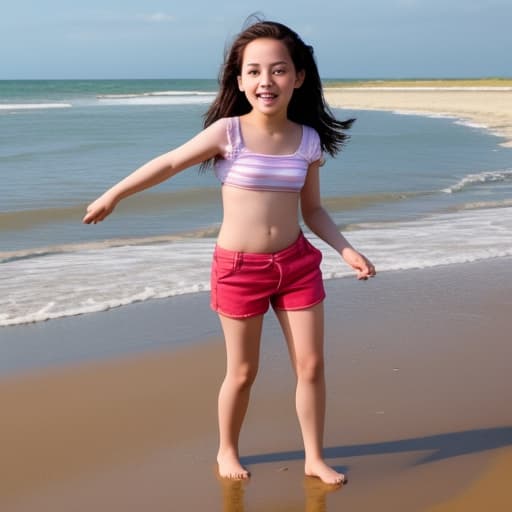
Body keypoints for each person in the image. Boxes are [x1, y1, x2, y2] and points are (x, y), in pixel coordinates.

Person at [83, 19, 376, 485]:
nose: (266, 81)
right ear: (239, 81)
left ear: (298, 77)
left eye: (278, 70)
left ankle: (314, 457)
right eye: (254, 71)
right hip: (240, 269)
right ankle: (226, 451)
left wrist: (346, 249)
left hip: (297, 265)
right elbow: (169, 162)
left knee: (312, 365)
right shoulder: (229, 133)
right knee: (242, 372)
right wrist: (114, 195)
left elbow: (314, 209)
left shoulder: (308, 139)